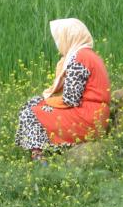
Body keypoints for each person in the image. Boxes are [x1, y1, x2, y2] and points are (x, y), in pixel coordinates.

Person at [15, 18, 111, 162]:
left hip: (87, 117)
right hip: (94, 115)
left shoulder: (80, 58)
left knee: (32, 112)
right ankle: (41, 151)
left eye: (59, 39)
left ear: (69, 37)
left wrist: (47, 103)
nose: (58, 43)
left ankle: (40, 159)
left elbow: (70, 98)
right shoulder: (89, 55)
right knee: (34, 103)